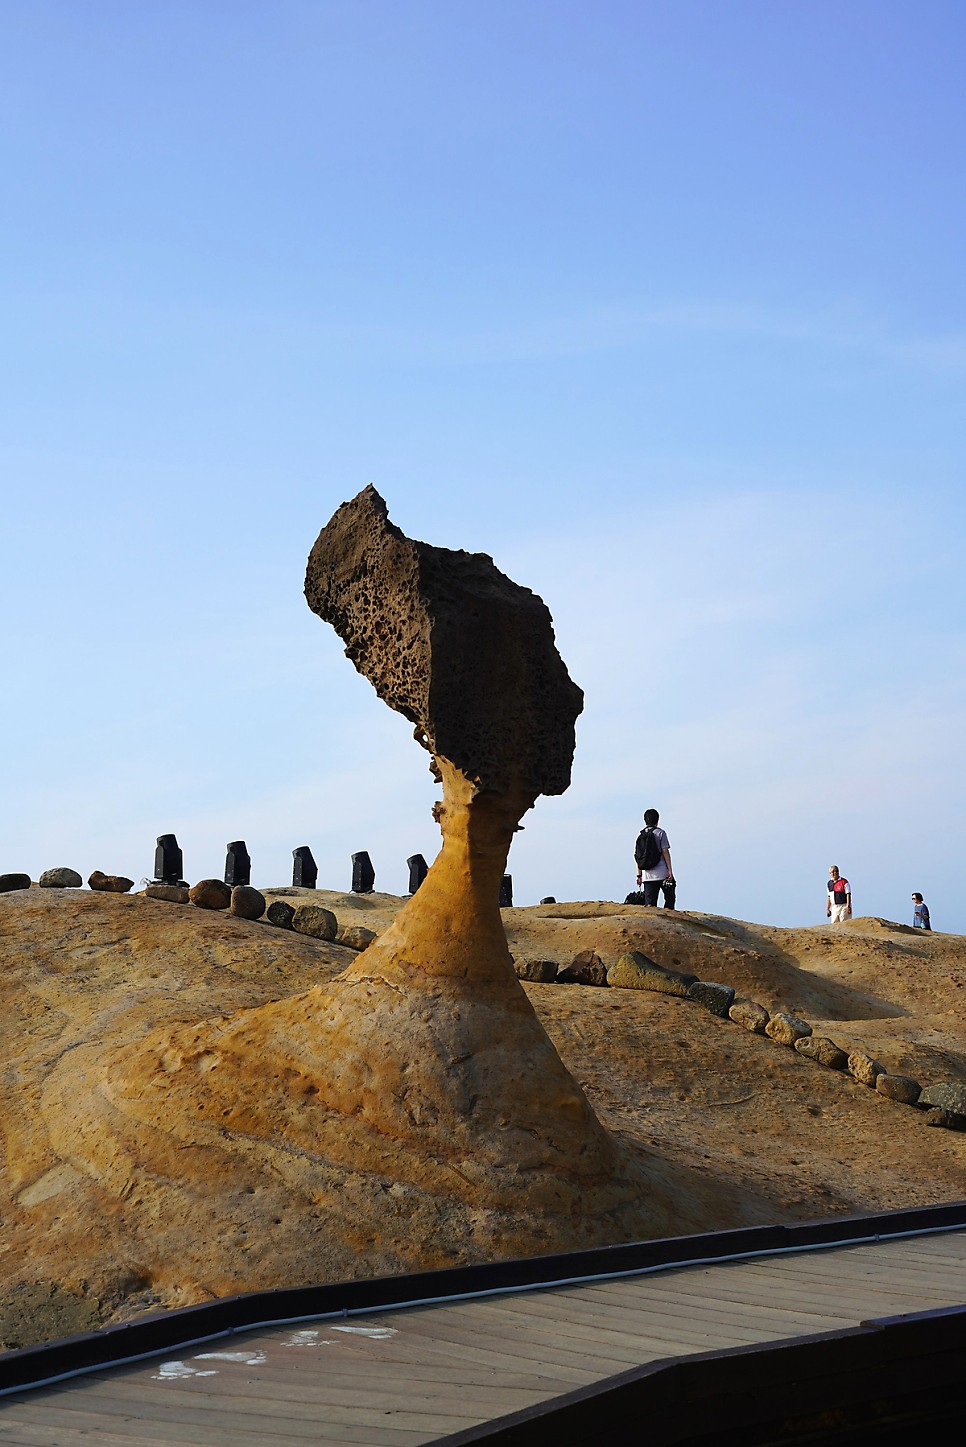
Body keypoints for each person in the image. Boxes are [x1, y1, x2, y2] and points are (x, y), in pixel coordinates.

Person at [634, 808, 675, 907]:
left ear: (645, 820)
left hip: (647, 876)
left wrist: (639, 876)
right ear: (657, 820)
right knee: (670, 899)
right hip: (663, 874)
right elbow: (665, 851)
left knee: (650, 905)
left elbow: (638, 857)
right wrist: (670, 870)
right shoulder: (661, 833)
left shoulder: (641, 836)